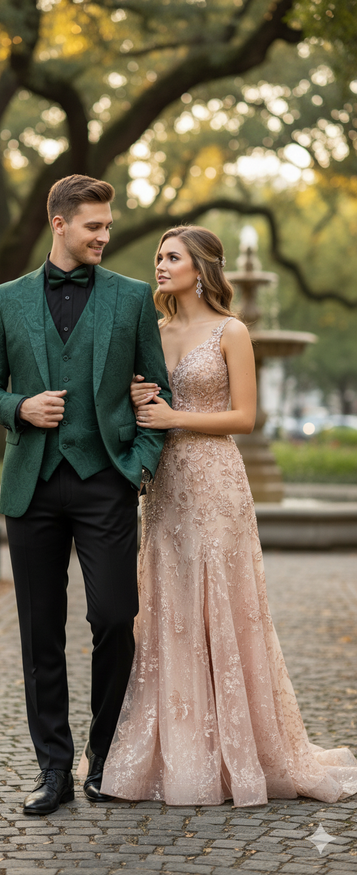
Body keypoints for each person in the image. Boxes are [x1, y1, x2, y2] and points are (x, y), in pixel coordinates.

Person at [101, 225, 357, 806]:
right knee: (171, 603)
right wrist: (143, 405)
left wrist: (174, 419)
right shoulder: (155, 330)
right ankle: (178, 745)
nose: (160, 266)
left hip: (215, 480)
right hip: (164, 484)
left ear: (202, 267)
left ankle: (241, 749)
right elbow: (139, 402)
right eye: (159, 257)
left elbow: (244, 416)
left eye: (172, 257)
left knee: (222, 600)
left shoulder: (232, 331)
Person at [0, 175, 171, 815]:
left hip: (104, 483)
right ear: (60, 223)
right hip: (30, 486)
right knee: (40, 634)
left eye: (108, 226)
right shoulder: (8, 299)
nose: (105, 236)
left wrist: (137, 465)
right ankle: (53, 769)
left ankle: (103, 757)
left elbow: (158, 395)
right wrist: (20, 407)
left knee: (114, 618)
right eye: (94, 226)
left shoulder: (133, 298)